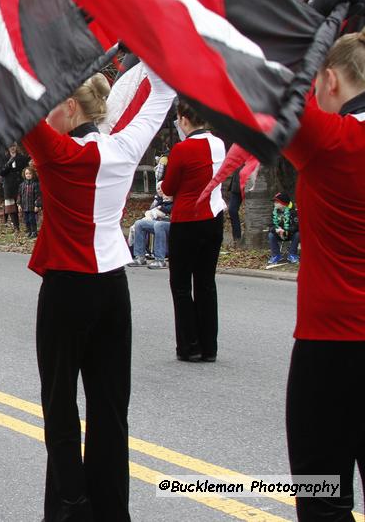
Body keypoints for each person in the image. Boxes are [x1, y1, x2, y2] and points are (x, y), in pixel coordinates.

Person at [22, 70, 175, 520]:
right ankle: (111, 510)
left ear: (70, 107)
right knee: (110, 407)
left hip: (67, 287)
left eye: (54, 105)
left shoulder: (57, 152)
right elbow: (163, 92)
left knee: (60, 404)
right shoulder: (124, 147)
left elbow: (14, 103)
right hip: (112, 285)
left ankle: (71, 507)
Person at [282, 29, 365, 520]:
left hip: (331, 345)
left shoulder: (332, 140)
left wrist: (313, 28)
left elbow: (264, 83)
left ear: (329, 80)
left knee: (323, 498)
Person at [160, 102, 226, 363]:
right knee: (206, 282)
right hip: (214, 217)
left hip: (188, 219)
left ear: (183, 119)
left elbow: (169, 186)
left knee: (180, 285)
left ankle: (189, 345)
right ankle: (209, 346)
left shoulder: (182, 149)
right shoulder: (219, 144)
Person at [128, 188, 173, 269]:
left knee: (159, 225)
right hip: (163, 221)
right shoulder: (163, 197)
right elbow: (156, 207)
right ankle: (140, 257)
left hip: (175, 224)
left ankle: (160, 260)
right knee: (139, 224)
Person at [0, 143, 30, 232]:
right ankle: (16, 227)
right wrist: (9, 163)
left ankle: (28, 226)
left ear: (16, 147)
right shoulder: (3, 158)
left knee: (25, 205)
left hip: (21, 184)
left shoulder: (22, 157)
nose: (12, 148)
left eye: (14, 146)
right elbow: (1, 172)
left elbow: (27, 169)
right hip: (9, 185)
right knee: (12, 207)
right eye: (10, 146)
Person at [266, 192, 300, 265]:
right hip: (278, 234)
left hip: (290, 234)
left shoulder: (293, 212)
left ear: (283, 203)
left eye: (276, 202)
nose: (275, 203)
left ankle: (292, 254)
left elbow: (297, 226)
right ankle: (276, 255)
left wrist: (285, 230)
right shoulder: (274, 212)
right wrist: (276, 229)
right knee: (271, 235)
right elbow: (270, 225)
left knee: (298, 234)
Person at [17, 166, 42, 238]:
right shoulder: (22, 185)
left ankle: (34, 232)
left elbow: (38, 196)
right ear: (24, 175)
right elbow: (19, 195)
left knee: (32, 219)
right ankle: (29, 231)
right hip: (24, 206)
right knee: (26, 220)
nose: (28, 175)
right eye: (26, 174)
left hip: (32, 206)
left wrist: (37, 205)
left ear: (33, 174)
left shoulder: (35, 184)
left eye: (30, 173)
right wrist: (19, 204)